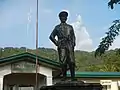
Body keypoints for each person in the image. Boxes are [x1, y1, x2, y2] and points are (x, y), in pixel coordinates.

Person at [49, 11, 76, 81]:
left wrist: (73, 44)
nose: (63, 18)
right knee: (62, 61)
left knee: (72, 61)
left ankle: (73, 77)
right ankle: (64, 77)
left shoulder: (70, 27)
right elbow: (51, 36)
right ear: (60, 18)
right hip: (62, 44)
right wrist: (57, 43)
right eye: (62, 17)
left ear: (66, 18)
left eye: (65, 17)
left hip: (69, 44)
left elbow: (73, 37)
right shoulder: (57, 27)